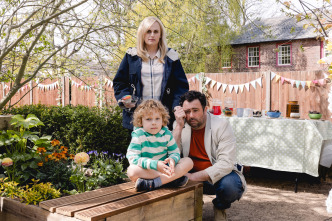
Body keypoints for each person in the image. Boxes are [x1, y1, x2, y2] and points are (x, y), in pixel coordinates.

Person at [172, 91, 246, 221]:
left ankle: (220, 206)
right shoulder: (180, 124)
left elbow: (226, 163)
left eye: (195, 110)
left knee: (230, 187)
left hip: (217, 176)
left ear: (205, 109)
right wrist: (178, 127)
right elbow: (172, 156)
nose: (191, 116)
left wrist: (193, 177)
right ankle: (191, 206)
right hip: (189, 171)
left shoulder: (221, 126)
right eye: (187, 111)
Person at [113, 16, 189, 132]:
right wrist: (125, 100)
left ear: (160, 34)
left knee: (164, 150)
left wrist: (176, 106)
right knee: (138, 150)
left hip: (164, 118)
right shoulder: (131, 56)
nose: (152, 35)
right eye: (148, 31)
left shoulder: (171, 57)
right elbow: (120, 83)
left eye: (155, 31)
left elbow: (181, 87)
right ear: (142, 34)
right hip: (138, 118)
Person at [126, 99, 193, 191]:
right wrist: (155, 165)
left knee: (188, 162)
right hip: (149, 171)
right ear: (141, 121)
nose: (154, 122)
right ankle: (171, 180)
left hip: (165, 168)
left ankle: (155, 183)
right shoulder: (139, 135)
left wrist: (172, 159)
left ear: (162, 120)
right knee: (132, 171)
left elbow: (175, 152)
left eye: (157, 119)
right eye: (148, 119)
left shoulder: (166, 134)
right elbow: (133, 158)